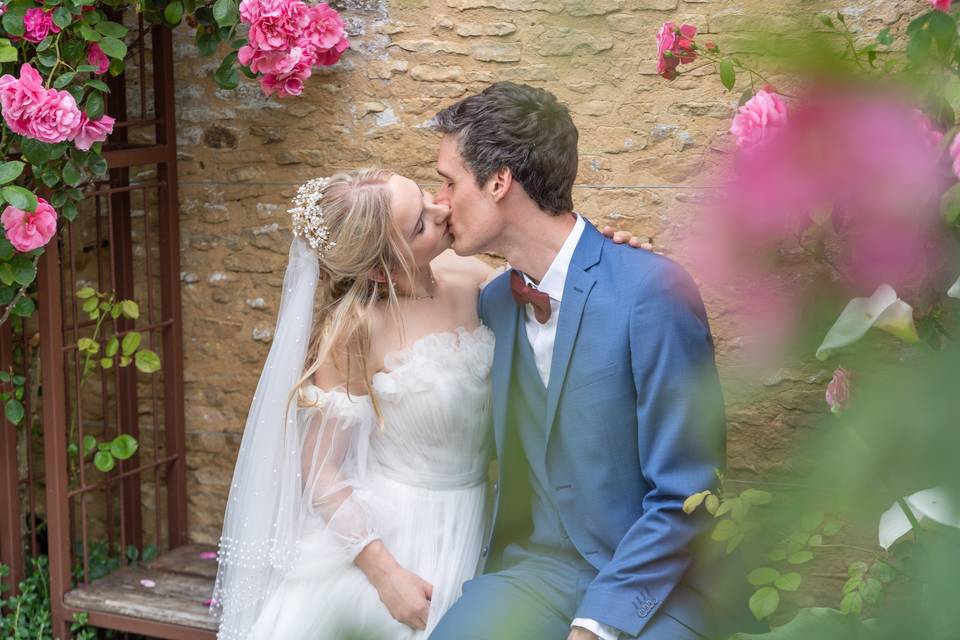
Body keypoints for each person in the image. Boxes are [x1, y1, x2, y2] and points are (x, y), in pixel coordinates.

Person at [211, 168, 643, 640]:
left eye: (425, 196)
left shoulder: (475, 278)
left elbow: (555, 305)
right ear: (380, 267)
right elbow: (321, 473)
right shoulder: (355, 330)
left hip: (484, 522)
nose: (442, 210)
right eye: (420, 225)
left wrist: (606, 264)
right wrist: (385, 575)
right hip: (399, 539)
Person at [429, 82, 746, 640]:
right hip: (535, 572)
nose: (439, 201)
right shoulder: (496, 303)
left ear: (499, 181)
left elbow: (689, 490)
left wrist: (596, 625)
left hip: (657, 583)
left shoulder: (652, 292)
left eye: (448, 182)